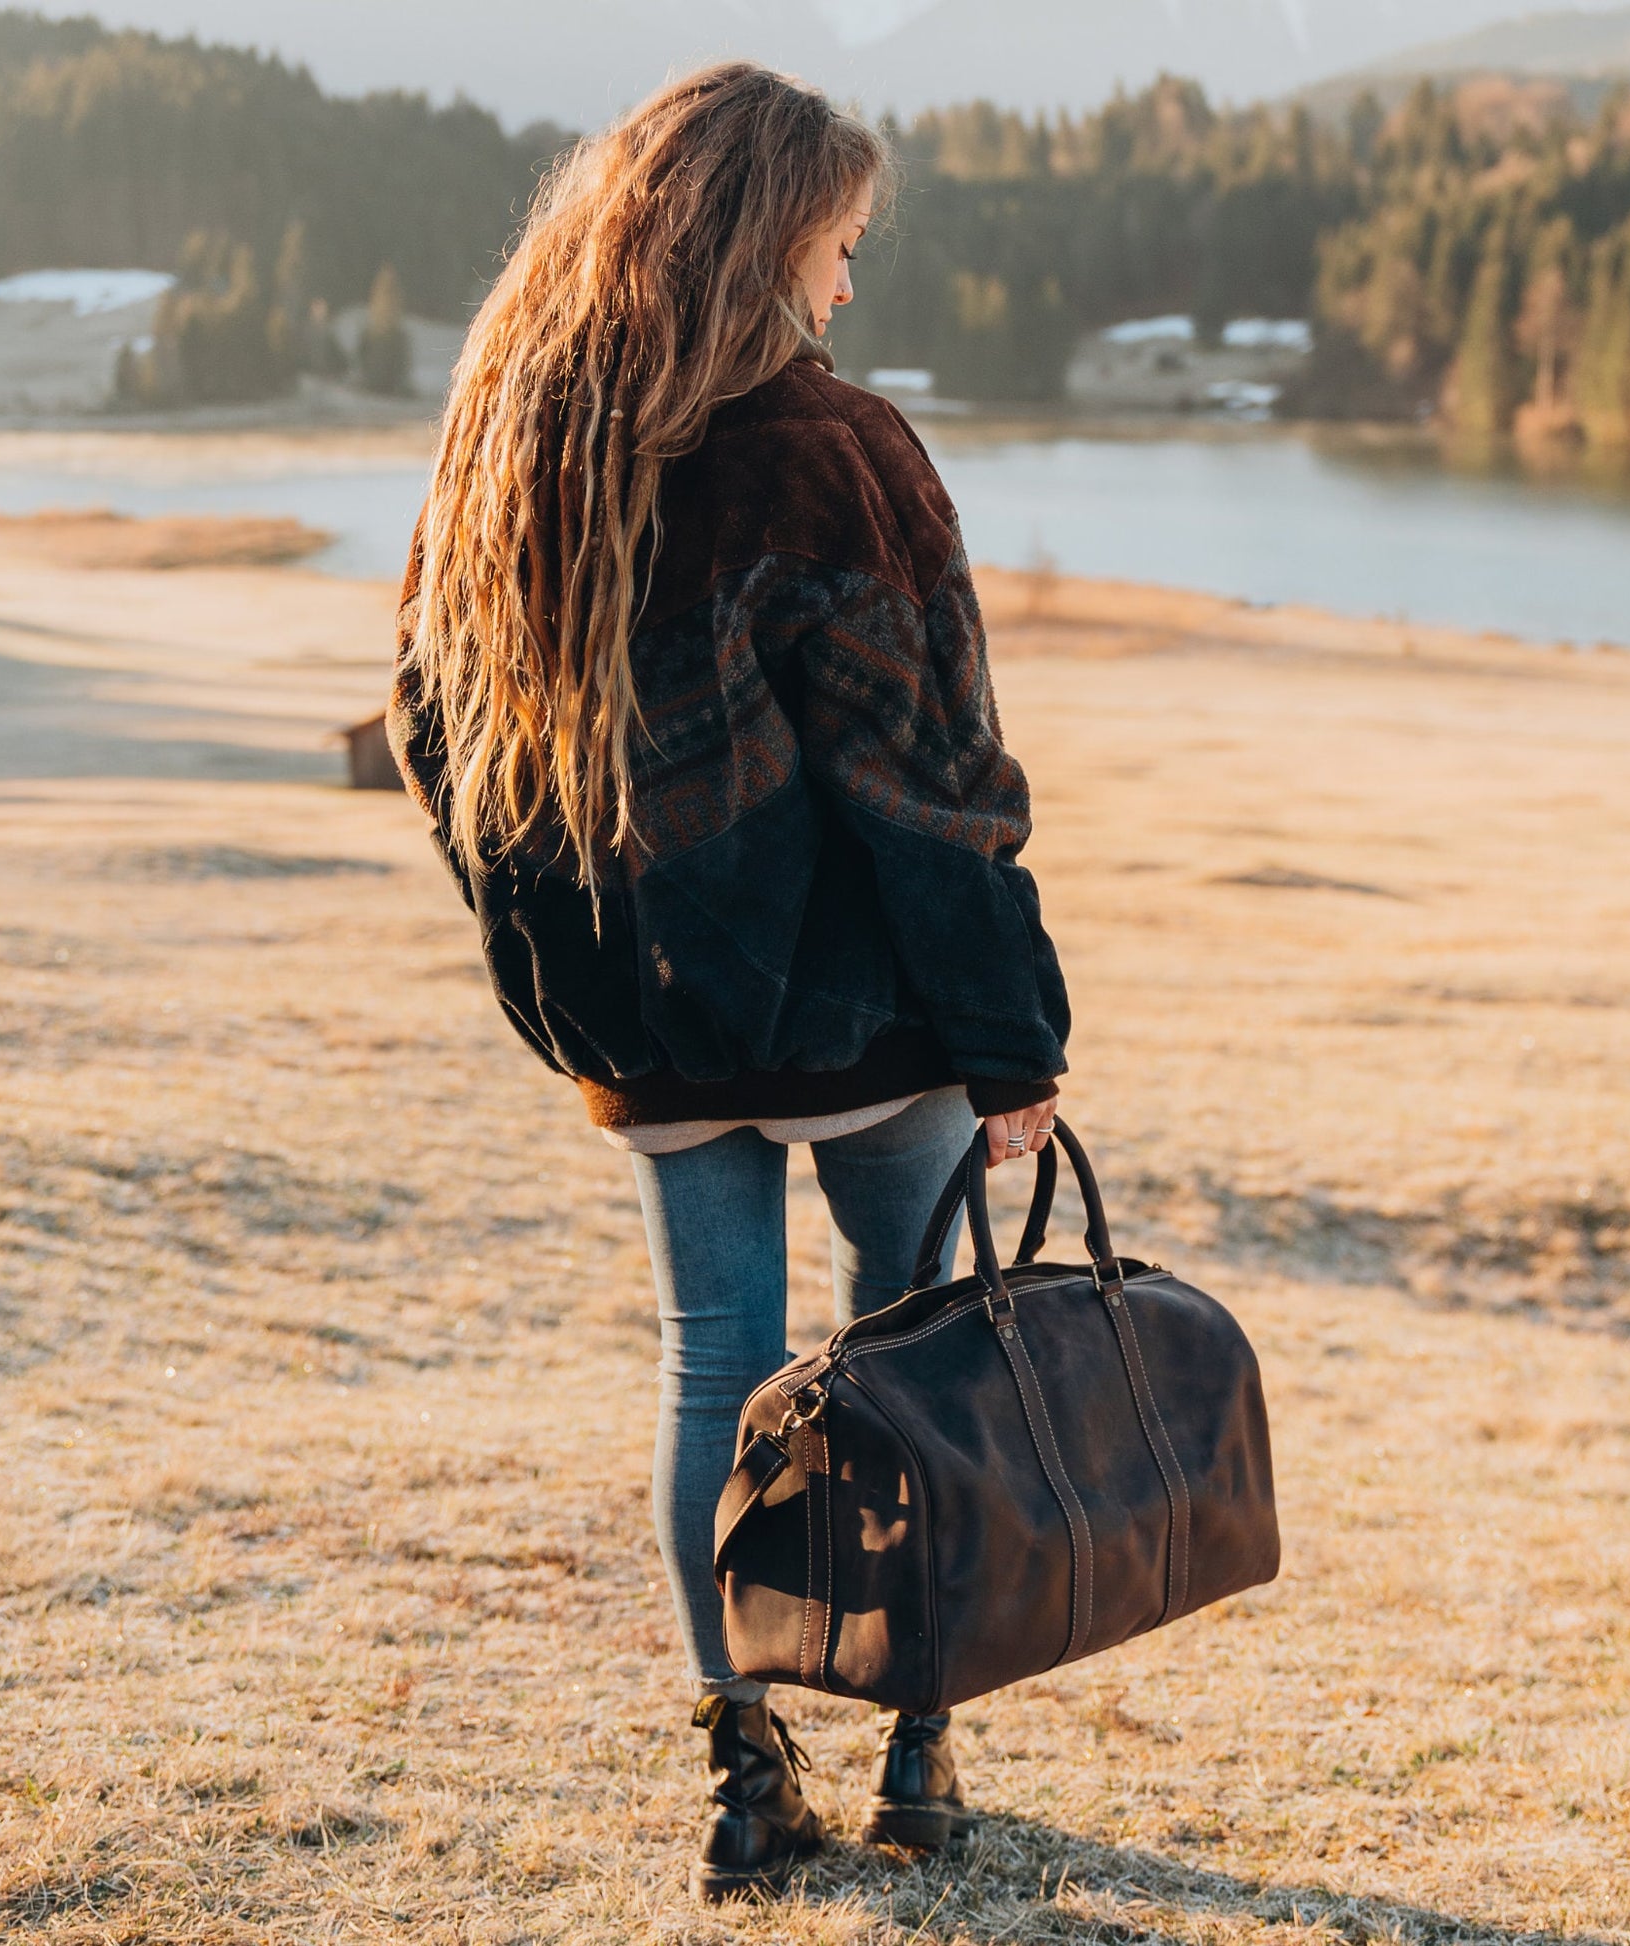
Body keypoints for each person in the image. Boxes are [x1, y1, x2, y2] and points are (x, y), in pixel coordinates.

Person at [388, 60, 1070, 1903]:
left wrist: (571, 970)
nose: (847, 291)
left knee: (717, 1366)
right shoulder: (831, 453)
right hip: (867, 1033)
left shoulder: (510, 442)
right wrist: (1016, 1044)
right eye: (838, 249)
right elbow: (932, 791)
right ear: (768, 242)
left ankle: (744, 1771)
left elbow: (433, 734)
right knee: (908, 1358)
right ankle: (918, 1735)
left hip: (654, 1031)